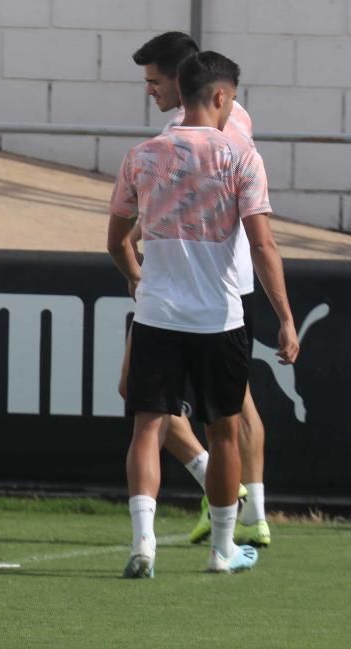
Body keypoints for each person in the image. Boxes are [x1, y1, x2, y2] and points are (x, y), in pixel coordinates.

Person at [108, 52, 299, 576]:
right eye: (231, 98)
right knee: (222, 431)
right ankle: (222, 550)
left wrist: (138, 276)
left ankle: (143, 545)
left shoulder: (143, 155)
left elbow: (117, 240)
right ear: (219, 96)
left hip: (157, 315)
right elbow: (263, 247)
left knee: (146, 428)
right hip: (219, 317)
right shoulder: (241, 157)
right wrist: (285, 317)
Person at [125, 31, 271, 547]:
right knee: (235, 408)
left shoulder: (181, 131)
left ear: (184, 77)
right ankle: (251, 512)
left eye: (155, 81)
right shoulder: (237, 115)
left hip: (194, 287)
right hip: (224, 291)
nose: (151, 90)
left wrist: (133, 255)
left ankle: (218, 487)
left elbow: (158, 212)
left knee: (146, 404)